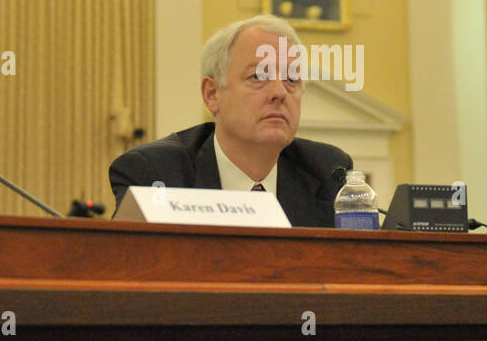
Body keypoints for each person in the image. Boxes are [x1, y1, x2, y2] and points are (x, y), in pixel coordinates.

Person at [109, 15, 351, 227]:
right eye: (258, 76)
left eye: (291, 79)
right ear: (212, 94)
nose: (280, 92)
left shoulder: (327, 171)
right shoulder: (155, 173)